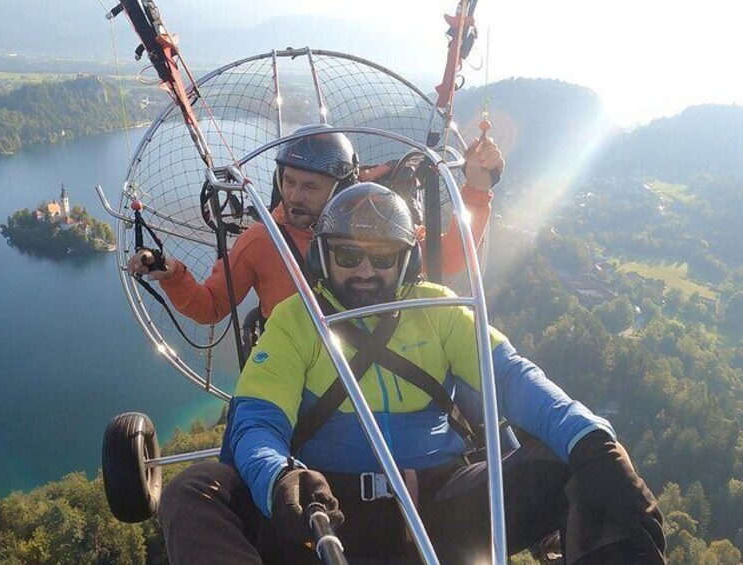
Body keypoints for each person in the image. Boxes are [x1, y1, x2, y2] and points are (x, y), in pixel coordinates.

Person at [157, 183, 666, 564]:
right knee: (197, 488)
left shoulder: (441, 310)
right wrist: (278, 478)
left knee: (581, 465)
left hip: (442, 504)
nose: (363, 271)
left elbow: (509, 377)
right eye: (348, 255)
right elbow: (255, 424)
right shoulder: (296, 320)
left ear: (407, 260)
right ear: (323, 256)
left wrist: (590, 437)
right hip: (322, 511)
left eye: (381, 258)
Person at [127, 126, 503, 326]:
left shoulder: (379, 225)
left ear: (340, 188)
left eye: (310, 186)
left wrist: (477, 191)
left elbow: (450, 258)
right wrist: (170, 271)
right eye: (289, 182)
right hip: (295, 375)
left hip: (371, 368)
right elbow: (211, 306)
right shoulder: (262, 240)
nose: (294, 196)